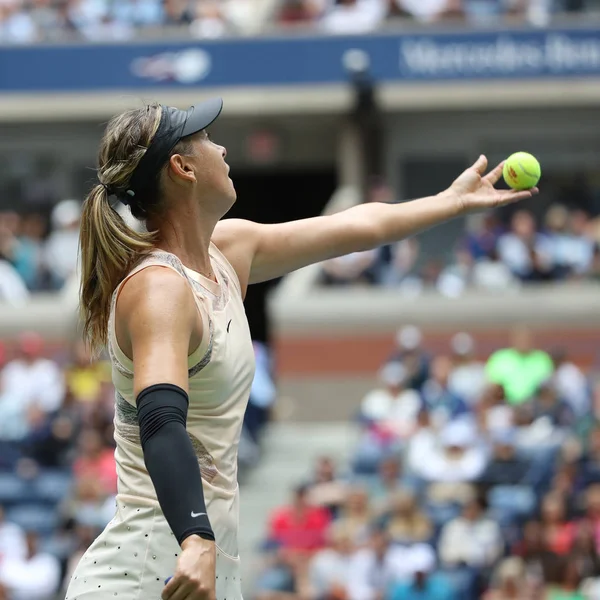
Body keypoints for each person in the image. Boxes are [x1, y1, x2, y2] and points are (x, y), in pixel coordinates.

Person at [66, 96, 537, 600]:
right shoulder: (158, 286)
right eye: (205, 139)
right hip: (148, 571)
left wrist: (452, 200)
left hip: (201, 566)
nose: (222, 148)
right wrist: (197, 536)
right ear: (181, 168)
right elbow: (160, 419)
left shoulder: (229, 250)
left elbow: (358, 228)